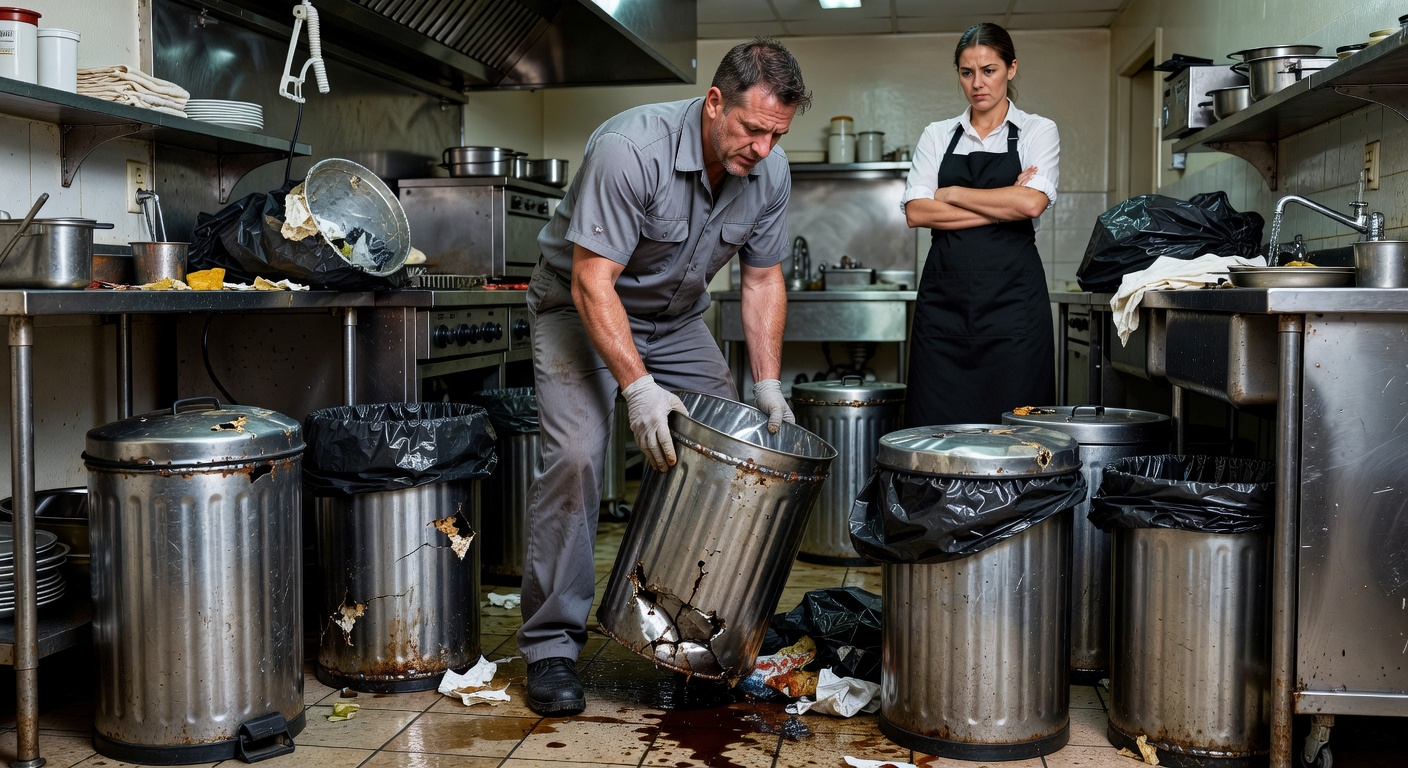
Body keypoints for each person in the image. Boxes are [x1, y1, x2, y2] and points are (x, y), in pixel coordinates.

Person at [518, 38, 812, 716]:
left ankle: (689, 637)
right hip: (578, 306)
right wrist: (638, 388)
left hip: (676, 319)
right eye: (752, 129)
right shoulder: (631, 149)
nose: (764, 149)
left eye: (777, 135)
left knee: (732, 454)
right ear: (715, 103)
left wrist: (767, 385)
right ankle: (551, 647)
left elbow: (763, 278)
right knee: (578, 454)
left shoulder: (770, 170)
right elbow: (594, 282)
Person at [899, 22, 1059, 428]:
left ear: (1011, 69)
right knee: (936, 428)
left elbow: (1031, 204)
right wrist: (1003, 200)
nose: (977, 83)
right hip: (944, 308)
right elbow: (917, 212)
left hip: (1014, 310)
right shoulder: (937, 134)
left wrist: (950, 193)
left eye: (989, 70)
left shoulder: (1038, 130)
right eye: (967, 72)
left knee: (1020, 428)